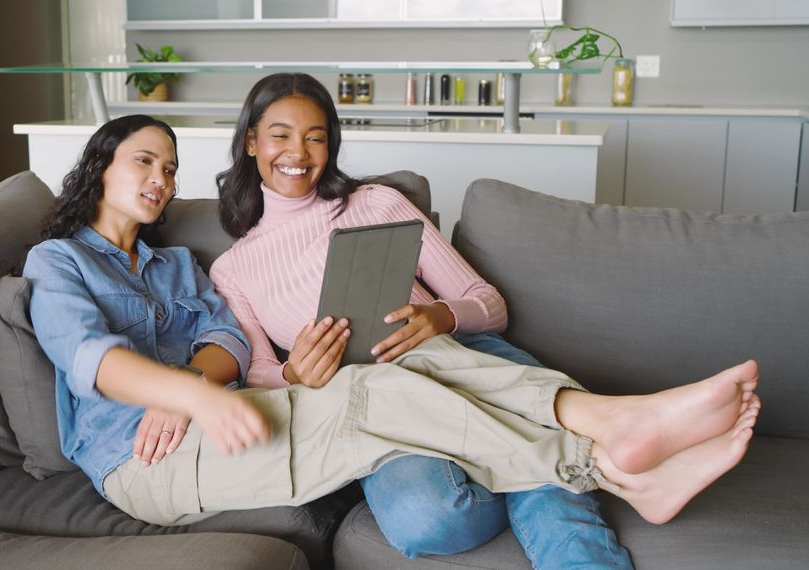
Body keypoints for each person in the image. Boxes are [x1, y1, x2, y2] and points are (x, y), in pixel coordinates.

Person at [23, 113, 760, 560]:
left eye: (170, 166)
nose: (161, 178)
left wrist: (198, 388)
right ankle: (614, 462)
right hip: (141, 461)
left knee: (372, 380)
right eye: (144, 162)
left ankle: (615, 446)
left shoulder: (179, 263)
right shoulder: (56, 261)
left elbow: (227, 342)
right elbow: (89, 356)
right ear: (100, 168)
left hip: (212, 418)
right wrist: (182, 394)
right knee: (366, 403)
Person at [206, 73, 759, 566]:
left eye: (316, 136)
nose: (298, 152)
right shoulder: (235, 267)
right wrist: (296, 376)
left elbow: (487, 302)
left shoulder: (375, 203)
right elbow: (255, 374)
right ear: (251, 140)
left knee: (526, 471)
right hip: (377, 403)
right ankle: (610, 446)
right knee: (430, 519)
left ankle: (588, 451)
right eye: (280, 134)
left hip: (468, 362)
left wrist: (439, 317)